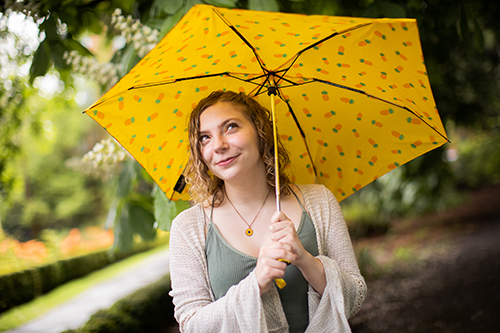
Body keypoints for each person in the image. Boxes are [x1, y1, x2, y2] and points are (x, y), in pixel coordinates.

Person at [169, 90, 366, 333]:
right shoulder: (188, 227)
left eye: (231, 127)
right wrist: (255, 284)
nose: (218, 145)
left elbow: (355, 297)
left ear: (261, 132)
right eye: (204, 138)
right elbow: (191, 325)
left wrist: (305, 260)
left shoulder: (319, 201)